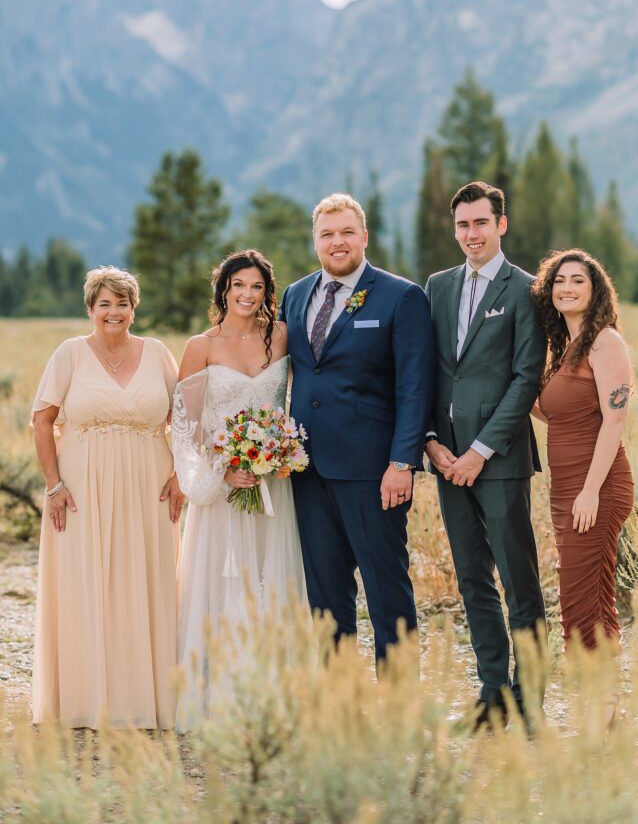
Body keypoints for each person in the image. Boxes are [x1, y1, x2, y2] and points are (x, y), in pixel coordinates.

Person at [280, 193, 435, 662]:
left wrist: (402, 461)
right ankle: (339, 702)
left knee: (386, 586)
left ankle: (400, 704)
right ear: (315, 241)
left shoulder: (400, 296)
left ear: (364, 237)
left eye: (347, 232)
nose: (337, 242)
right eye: (327, 234)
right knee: (325, 593)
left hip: (374, 471)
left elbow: (415, 387)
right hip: (307, 470)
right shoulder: (295, 294)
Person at [31, 266, 183, 729]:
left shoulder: (157, 354)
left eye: (122, 303)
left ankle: (147, 699)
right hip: (81, 486)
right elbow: (42, 421)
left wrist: (180, 474)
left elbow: (188, 419)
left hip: (150, 485)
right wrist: (53, 486)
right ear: (90, 309)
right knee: (85, 582)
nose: (113, 312)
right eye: (105, 304)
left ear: (134, 309)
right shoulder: (70, 354)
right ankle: (85, 700)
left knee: (149, 580)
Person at [425, 181, 546, 728]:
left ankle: (531, 697)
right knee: (472, 580)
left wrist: (478, 450)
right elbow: (425, 371)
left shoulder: (524, 289)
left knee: (519, 581)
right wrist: (432, 443)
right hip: (446, 462)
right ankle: (493, 692)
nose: (470, 234)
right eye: (462, 225)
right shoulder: (438, 286)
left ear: (501, 224)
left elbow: (525, 380)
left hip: (497, 461)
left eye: (480, 223)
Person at [173, 250, 306, 728]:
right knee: (223, 581)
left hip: (273, 484)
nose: (247, 295)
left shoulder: (283, 338)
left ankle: (269, 691)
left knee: (271, 579)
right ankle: (219, 693)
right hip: (223, 485)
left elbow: (294, 402)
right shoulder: (200, 346)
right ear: (223, 291)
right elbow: (183, 424)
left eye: (256, 287)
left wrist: (278, 452)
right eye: (238, 286)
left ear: (267, 293)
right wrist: (221, 468)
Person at [532, 249, 634, 653]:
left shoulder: (605, 342)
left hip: (597, 488)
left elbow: (615, 421)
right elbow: (558, 416)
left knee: (583, 598)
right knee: (586, 593)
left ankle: (600, 700)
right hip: (568, 489)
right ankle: (601, 705)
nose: (567, 287)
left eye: (578, 280)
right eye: (559, 280)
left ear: (596, 291)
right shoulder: (569, 347)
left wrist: (590, 491)